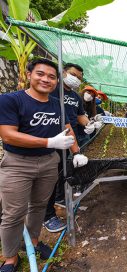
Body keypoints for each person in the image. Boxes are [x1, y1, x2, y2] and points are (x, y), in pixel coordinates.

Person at [0, 59, 87, 271]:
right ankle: (10, 257)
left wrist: (76, 152)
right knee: (13, 213)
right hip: (18, 164)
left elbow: (68, 129)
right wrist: (49, 142)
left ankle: (35, 241)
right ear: (29, 75)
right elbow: (8, 135)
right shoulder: (11, 100)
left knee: (38, 206)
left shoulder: (58, 105)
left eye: (51, 76)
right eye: (40, 74)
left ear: (57, 81)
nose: (45, 79)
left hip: (49, 162)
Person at [45, 63, 95, 232]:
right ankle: (49, 212)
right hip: (52, 137)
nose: (76, 79)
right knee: (51, 176)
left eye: (80, 78)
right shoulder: (52, 89)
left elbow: (79, 115)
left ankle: (59, 201)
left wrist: (88, 124)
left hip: (69, 136)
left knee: (63, 170)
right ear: (64, 72)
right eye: (74, 74)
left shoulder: (75, 96)